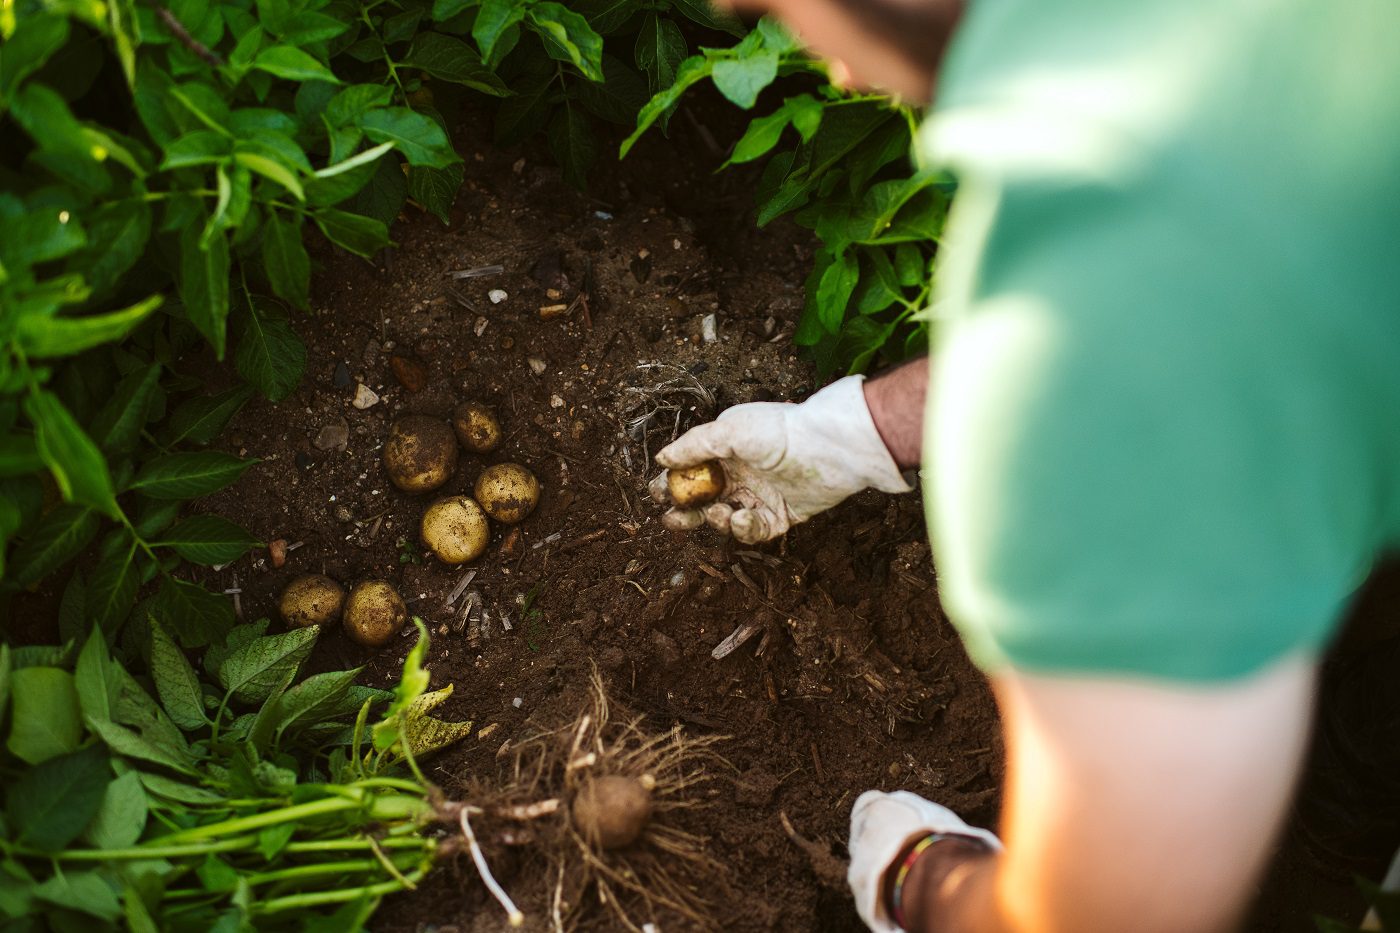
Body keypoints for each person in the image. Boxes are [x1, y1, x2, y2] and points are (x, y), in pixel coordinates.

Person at [648, 0, 1400, 930]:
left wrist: (922, 874)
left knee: (1318, 831)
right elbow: (1183, 303)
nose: (823, 63)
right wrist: (865, 428)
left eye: (773, 7)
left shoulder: (1062, 384)